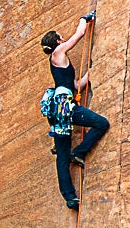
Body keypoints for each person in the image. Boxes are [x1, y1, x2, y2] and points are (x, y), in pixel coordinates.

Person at [40, 11, 110, 210]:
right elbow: (79, 34)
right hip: (65, 108)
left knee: (62, 153)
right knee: (101, 123)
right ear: (58, 42)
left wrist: (93, 69)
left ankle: (69, 196)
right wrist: (84, 19)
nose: (64, 39)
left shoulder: (61, 63)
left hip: (60, 109)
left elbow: (77, 84)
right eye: (61, 38)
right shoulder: (58, 53)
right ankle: (78, 152)